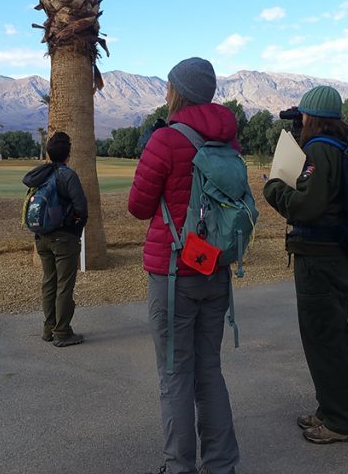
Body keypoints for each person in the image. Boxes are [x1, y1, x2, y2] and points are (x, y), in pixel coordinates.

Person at [128, 57, 240, 474]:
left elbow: (138, 207)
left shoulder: (166, 140)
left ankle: (178, 466)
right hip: (215, 268)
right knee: (210, 369)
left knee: (175, 374)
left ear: (178, 91)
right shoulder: (228, 140)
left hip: (173, 272)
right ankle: (222, 464)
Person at [262, 85, 348, 445]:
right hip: (334, 255)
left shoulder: (318, 150)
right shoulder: (339, 146)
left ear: (312, 118)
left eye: (302, 116)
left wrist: (273, 188)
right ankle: (329, 408)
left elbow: (306, 207)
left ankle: (340, 421)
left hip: (319, 259)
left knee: (324, 337)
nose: (299, 121)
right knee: (329, 334)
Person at [27, 131, 88, 347]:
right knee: (64, 285)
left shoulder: (42, 174)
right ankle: (62, 332)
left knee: (49, 282)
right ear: (68, 154)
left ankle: (48, 328)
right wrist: (75, 229)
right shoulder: (67, 175)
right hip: (63, 239)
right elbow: (81, 207)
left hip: (41, 237)